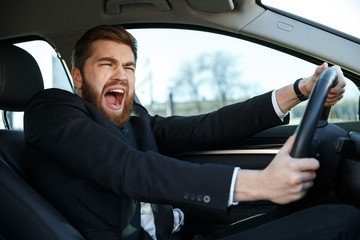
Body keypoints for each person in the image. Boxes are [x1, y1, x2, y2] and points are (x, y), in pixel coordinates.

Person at [24, 24, 360, 240]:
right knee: (342, 222)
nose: (122, 75)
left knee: (322, 206)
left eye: (128, 66)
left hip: (183, 234)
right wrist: (257, 183)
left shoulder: (136, 121)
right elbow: (127, 168)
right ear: (78, 77)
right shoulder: (51, 110)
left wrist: (300, 90)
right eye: (107, 64)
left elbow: (209, 127)